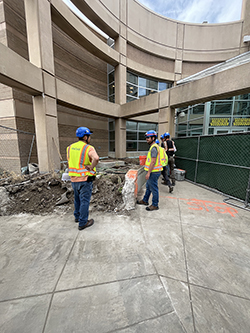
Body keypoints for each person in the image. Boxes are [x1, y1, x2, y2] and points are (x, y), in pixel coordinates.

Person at [67, 127, 99, 230]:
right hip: (85, 179)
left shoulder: (69, 148)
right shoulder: (88, 148)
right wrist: (92, 166)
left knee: (77, 199)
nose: (90, 138)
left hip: (73, 179)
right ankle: (83, 222)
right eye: (89, 136)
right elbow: (96, 158)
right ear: (85, 137)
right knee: (84, 201)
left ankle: (77, 217)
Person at [137, 130, 163, 211]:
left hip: (153, 172)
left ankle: (155, 205)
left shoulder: (154, 148)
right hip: (153, 171)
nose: (146, 139)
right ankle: (145, 200)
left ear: (153, 138)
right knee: (148, 187)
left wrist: (148, 173)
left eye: (148, 138)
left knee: (154, 188)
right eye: (146, 138)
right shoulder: (154, 147)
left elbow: (153, 161)